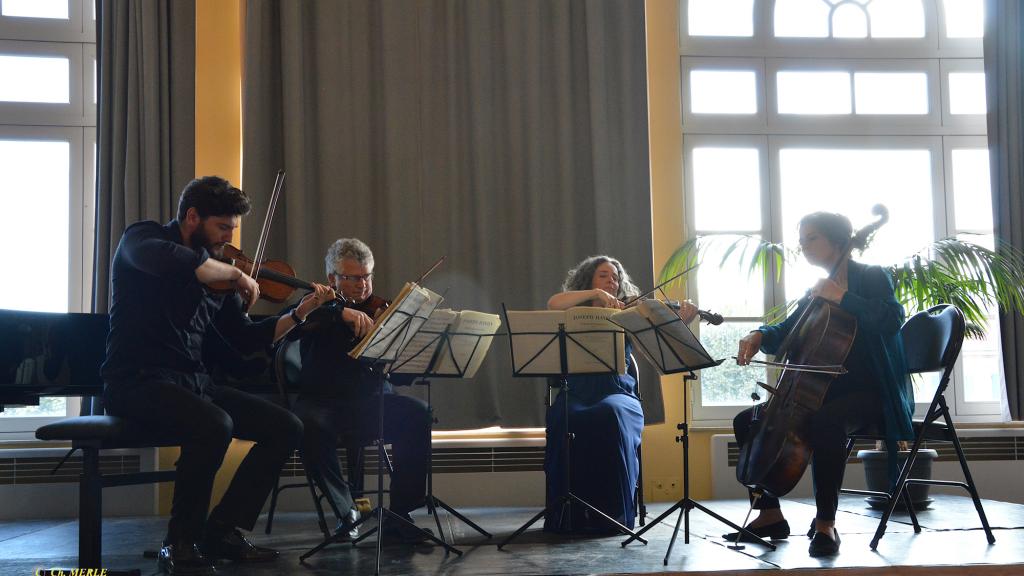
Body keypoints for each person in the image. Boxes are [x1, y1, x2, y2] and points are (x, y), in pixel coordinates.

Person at [101, 176, 336, 576]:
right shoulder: (142, 238)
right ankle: (179, 542)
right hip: (136, 381)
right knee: (214, 423)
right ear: (192, 217)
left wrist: (299, 314)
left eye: (232, 229)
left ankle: (222, 531)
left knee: (285, 426)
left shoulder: (223, 274)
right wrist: (235, 276)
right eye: (222, 227)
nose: (228, 239)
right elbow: (169, 259)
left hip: (193, 383)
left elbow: (246, 339)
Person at [727, 211, 914, 557]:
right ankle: (769, 514)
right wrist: (758, 333)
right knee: (746, 421)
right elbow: (785, 331)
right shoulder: (816, 290)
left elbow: (891, 319)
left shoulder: (870, 277)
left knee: (826, 422)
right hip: (818, 392)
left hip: (869, 392)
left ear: (838, 240)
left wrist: (843, 298)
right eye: (801, 240)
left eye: (811, 237)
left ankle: (826, 523)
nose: (804, 245)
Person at [287, 238, 433, 544]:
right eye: (354, 278)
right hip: (324, 403)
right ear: (332, 279)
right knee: (307, 426)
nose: (363, 286)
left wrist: (412, 358)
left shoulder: (381, 310)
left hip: (371, 402)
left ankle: (400, 514)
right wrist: (341, 313)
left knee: (418, 414)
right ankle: (346, 511)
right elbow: (299, 322)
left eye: (367, 277)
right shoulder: (316, 305)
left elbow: (401, 374)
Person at [544, 255, 697, 532]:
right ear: (589, 279)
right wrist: (595, 295)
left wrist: (680, 320)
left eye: (615, 277)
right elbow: (553, 302)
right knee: (565, 416)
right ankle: (568, 514)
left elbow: (656, 343)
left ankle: (613, 515)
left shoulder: (629, 311)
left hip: (618, 391)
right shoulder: (570, 308)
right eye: (604, 275)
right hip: (576, 391)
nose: (612, 281)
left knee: (610, 414)